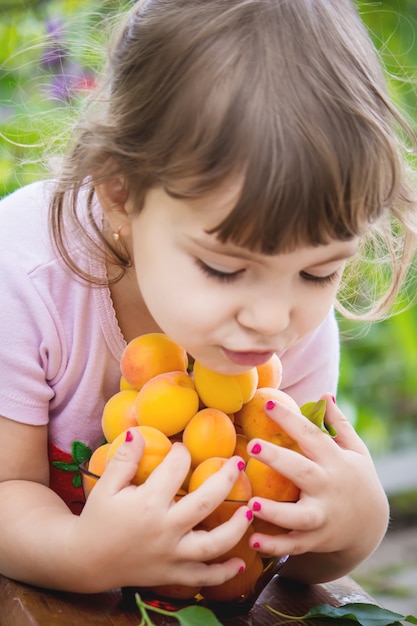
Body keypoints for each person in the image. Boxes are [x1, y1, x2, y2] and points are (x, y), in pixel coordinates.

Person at [0, 0, 416, 595]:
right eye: (224, 268)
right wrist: (81, 554)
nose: (272, 320)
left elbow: (275, 550)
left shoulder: (289, 328)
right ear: (122, 193)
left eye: (319, 273)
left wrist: (349, 530)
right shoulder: (23, 278)